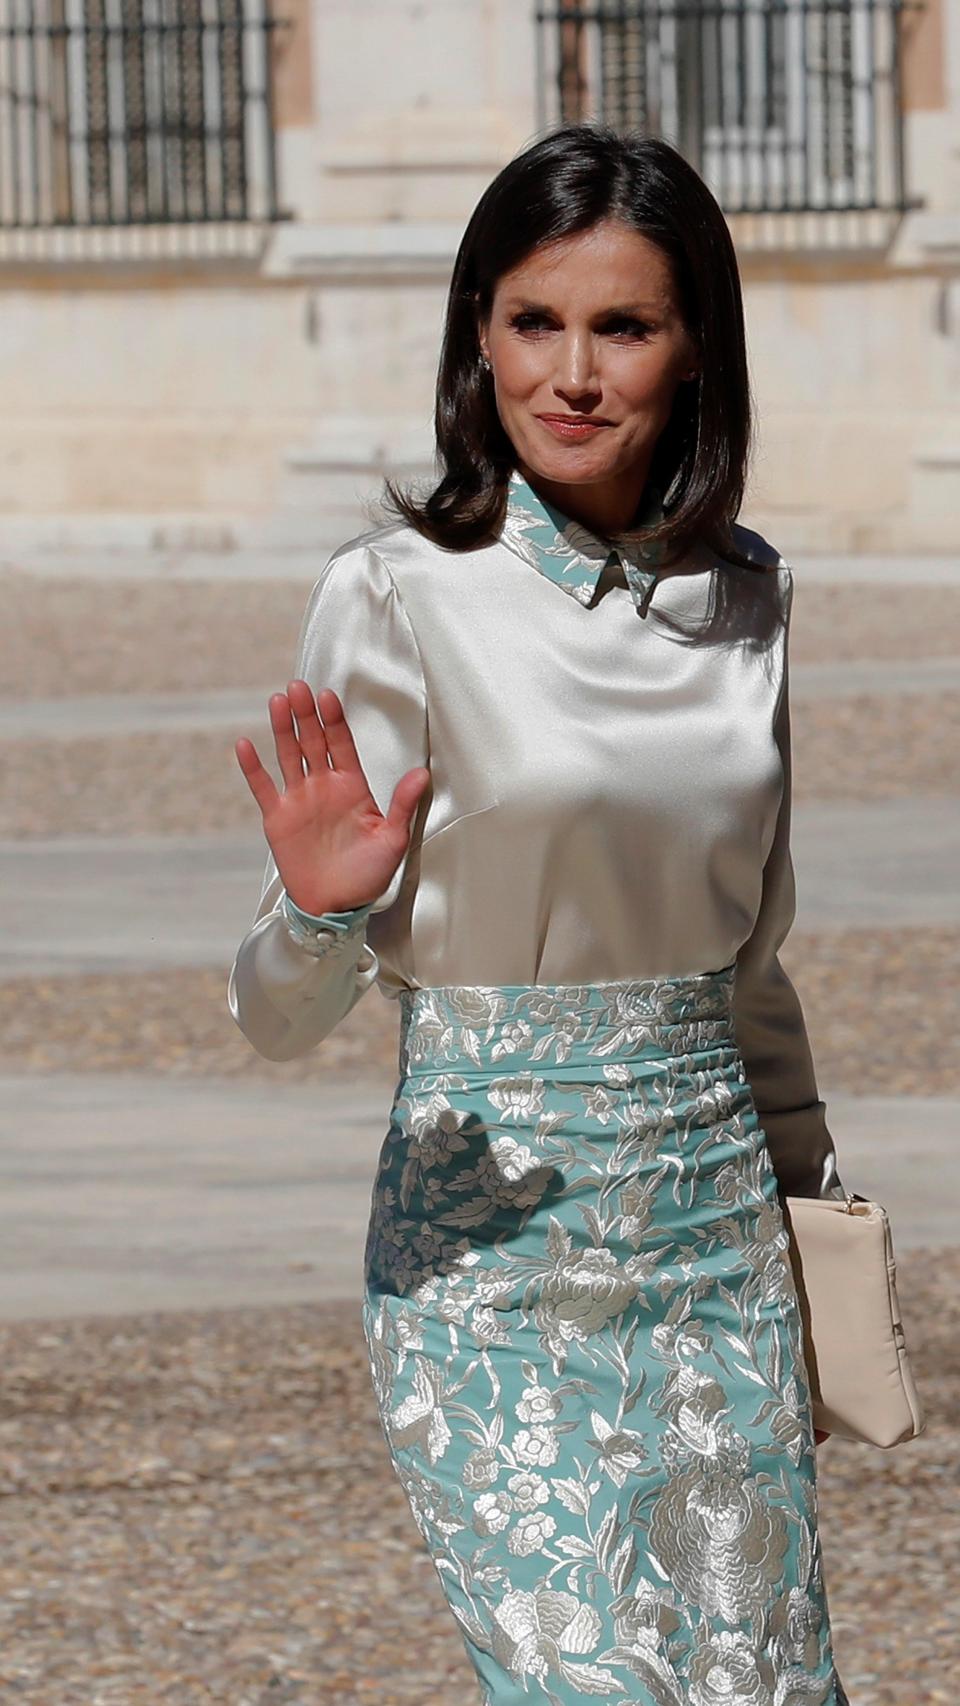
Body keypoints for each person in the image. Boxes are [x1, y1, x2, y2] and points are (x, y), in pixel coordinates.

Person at [228, 123, 851, 1706]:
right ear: (478, 335)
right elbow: (273, 1016)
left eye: (623, 327)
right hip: (488, 1246)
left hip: (715, 1237)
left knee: (756, 1685)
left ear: (694, 347)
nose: (571, 374)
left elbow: (748, 959)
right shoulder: (398, 596)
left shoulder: (750, 600)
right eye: (532, 322)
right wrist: (316, 914)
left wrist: (815, 1201)